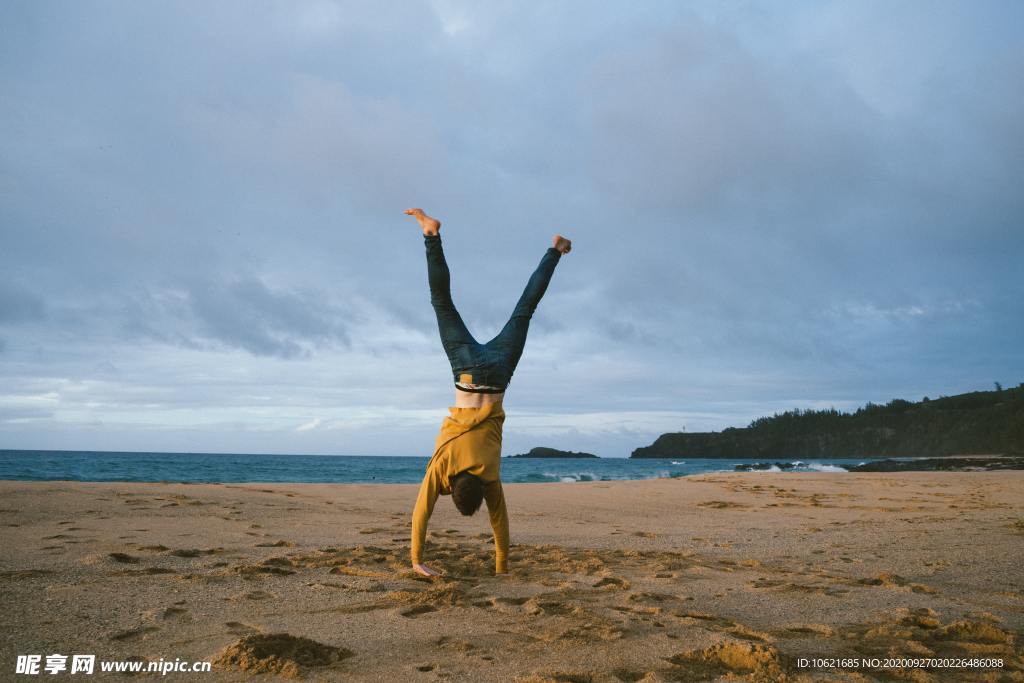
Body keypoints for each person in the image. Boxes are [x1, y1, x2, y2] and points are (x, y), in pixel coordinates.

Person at [405, 208, 571, 577]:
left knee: (524, 310)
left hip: (499, 373)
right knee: (442, 302)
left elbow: (500, 525)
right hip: (464, 371)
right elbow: (421, 512)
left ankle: (555, 250)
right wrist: (416, 561)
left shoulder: (491, 476)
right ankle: (431, 235)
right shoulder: (442, 467)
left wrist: (502, 567)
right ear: (451, 486)